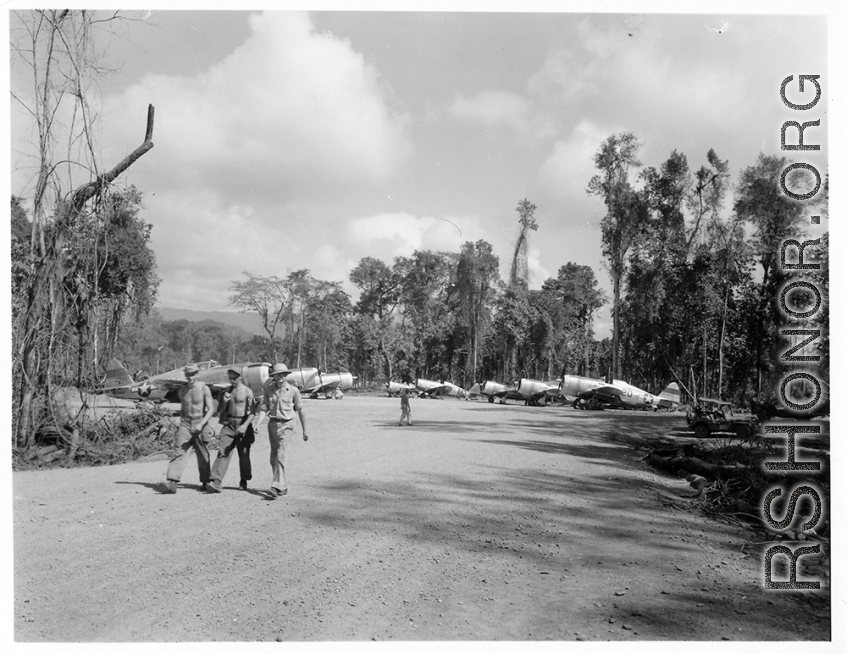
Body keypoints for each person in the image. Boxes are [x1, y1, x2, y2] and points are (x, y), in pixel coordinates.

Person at [254, 363, 309, 498]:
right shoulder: (269, 390)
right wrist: (257, 423)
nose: (279, 377)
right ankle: (282, 486)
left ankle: (276, 486)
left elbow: (300, 410)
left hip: (287, 425)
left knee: (281, 454)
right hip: (272, 425)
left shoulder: (293, 391)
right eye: (276, 375)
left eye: (282, 375)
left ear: (286, 376)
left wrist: (304, 430)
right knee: (273, 458)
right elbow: (264, 408)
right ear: (273, 376)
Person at [162, 364, 215, 493]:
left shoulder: (204, 388)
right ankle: (172, 482)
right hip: (185, 424)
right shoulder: (182, 390)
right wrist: (182, 423)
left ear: (197, 374)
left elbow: (212, 409)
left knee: (203, 454)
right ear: (185, 375)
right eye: (188, 375)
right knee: (179, 450)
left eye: (193, 374)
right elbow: (182, 408)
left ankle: (206, 482)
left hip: (200, 422)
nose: (191, 377)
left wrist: (202, 424)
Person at [206, 367, 256, 493]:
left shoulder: (247, 392)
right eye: (230, 378)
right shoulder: (226, 391)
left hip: (243, 423)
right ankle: (216, 481)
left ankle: (244, 480)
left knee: (243, 455)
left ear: (240, 377)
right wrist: (224, 401)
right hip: (229, 424)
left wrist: (245, 426)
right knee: (223, 452)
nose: (232, 380)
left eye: (235, 378)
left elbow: (253, 413)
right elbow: (220, 411)